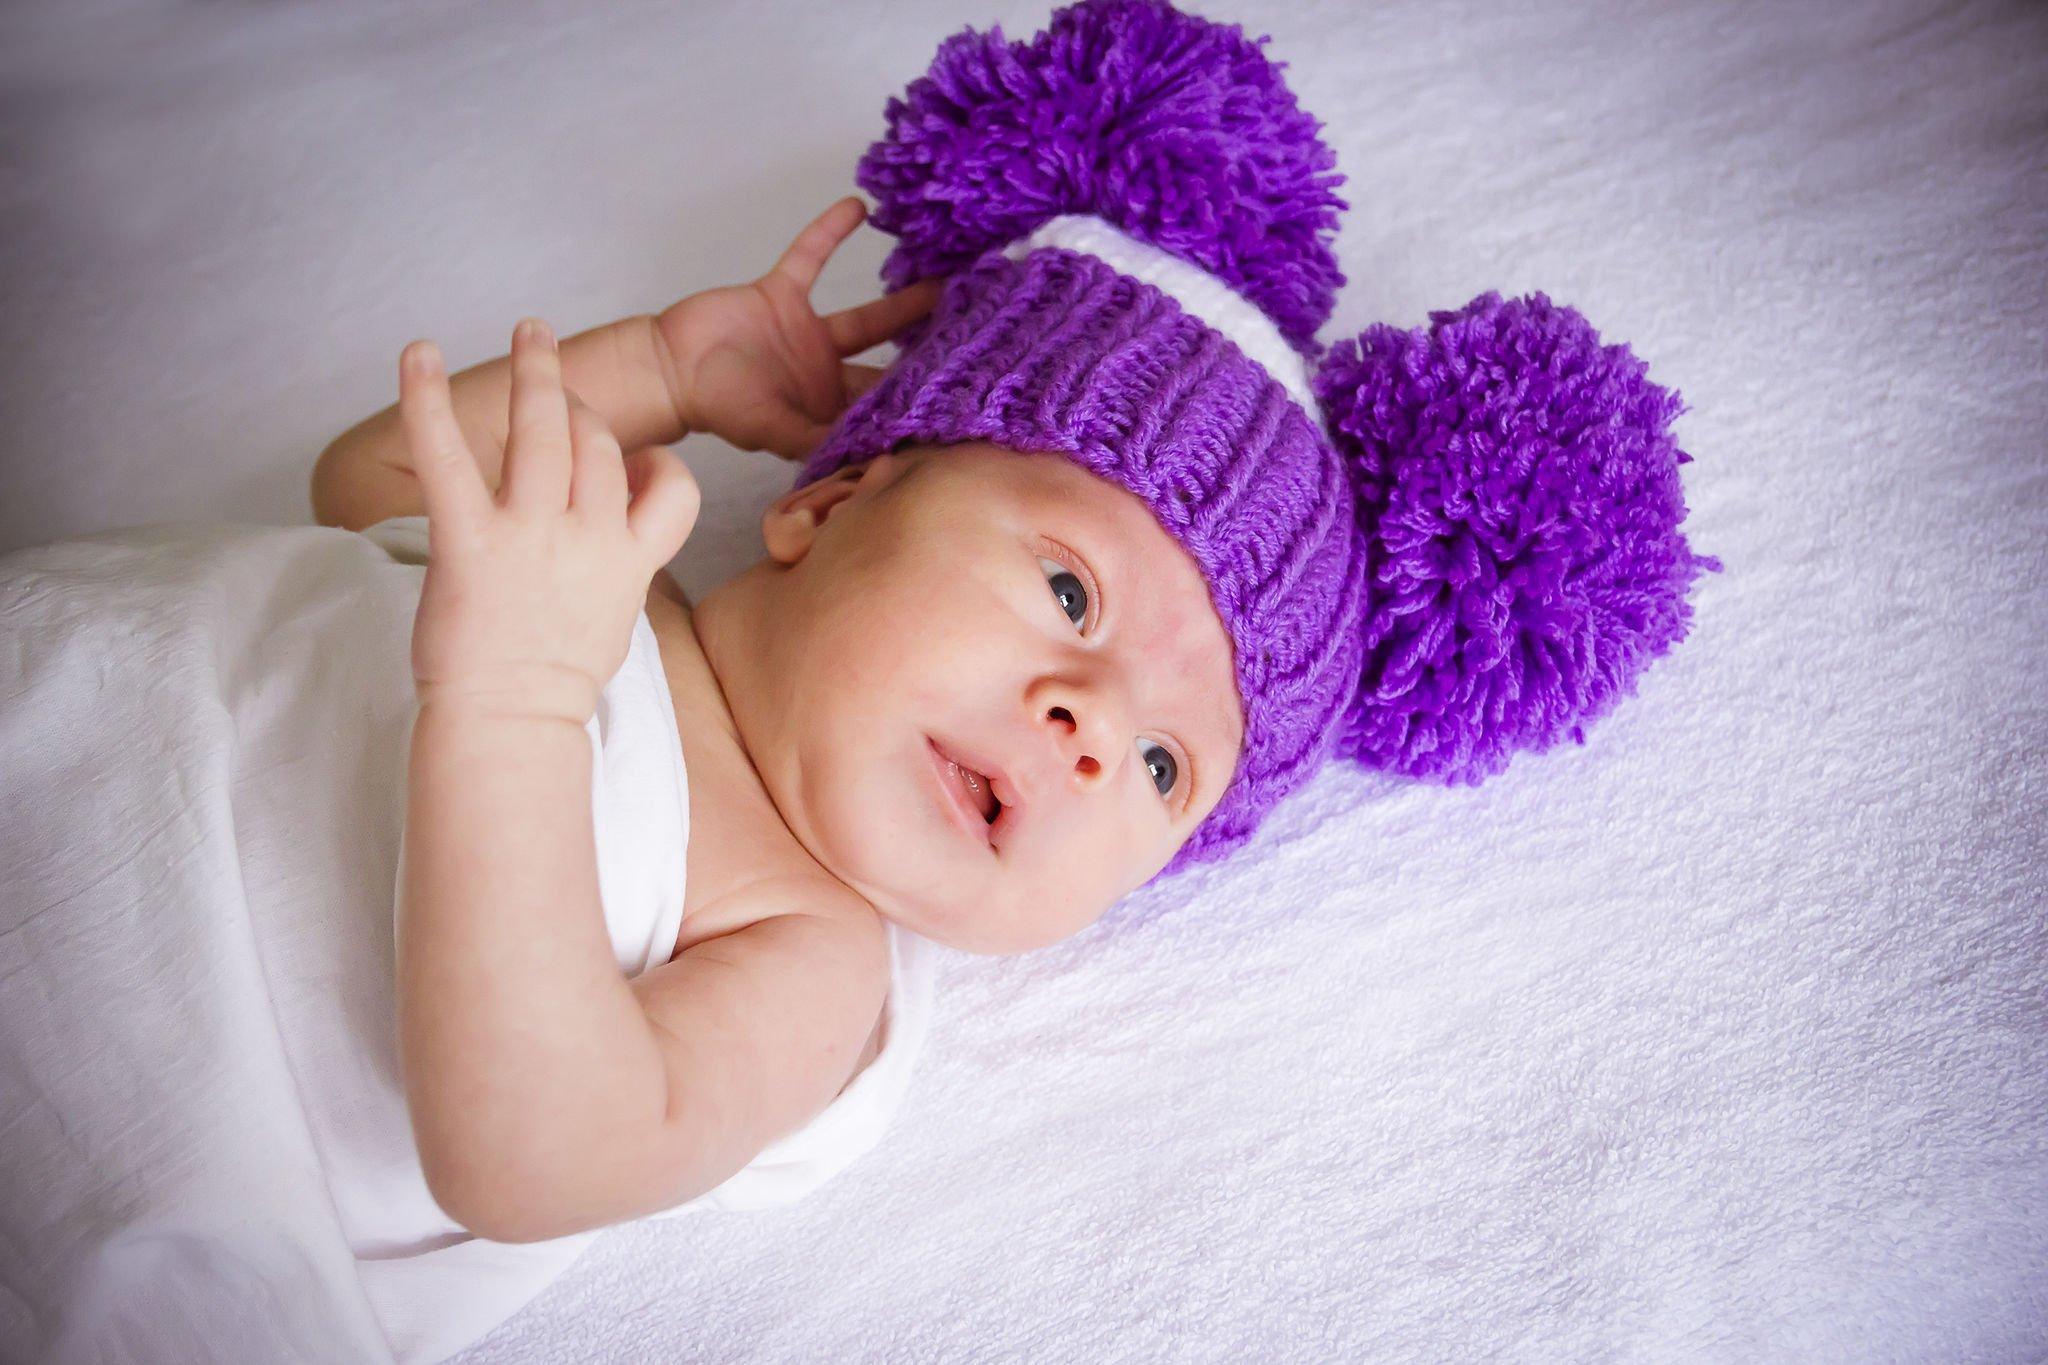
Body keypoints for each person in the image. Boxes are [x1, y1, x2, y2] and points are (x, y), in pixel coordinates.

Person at [0, 1, 1717, 1360]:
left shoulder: (805, 955)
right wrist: (659, 370)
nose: (1092, 726)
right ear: (824, 505)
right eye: (1068, 590)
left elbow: (532, 1157)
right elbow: (364, 490)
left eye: (1166, 769)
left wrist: (513, 708)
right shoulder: (608, 568)